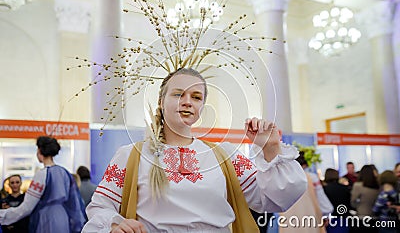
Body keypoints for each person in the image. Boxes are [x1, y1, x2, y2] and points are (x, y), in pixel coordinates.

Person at [82, 67, 308, 233]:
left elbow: (273, 199)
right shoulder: (131, 155)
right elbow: (100, 206)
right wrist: (115, 226)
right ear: (161, 101)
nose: (188, 101)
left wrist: (270, 148)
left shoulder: (224, 155)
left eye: (196, 97)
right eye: (178, 94)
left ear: (202, 107)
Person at [0, 136, 87, 233]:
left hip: (47, 218)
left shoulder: (42, 174)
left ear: (40, 151)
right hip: (63, 218)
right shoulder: (65, 172)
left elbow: (27, 207)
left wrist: (3, 215)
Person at [280, 151, 333, 233]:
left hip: (288, 221)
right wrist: (326, 215)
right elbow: (322, 200)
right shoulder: (312, 178)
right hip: (309, 219)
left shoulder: (283, 178)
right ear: (305, 164)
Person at [323, 168, 351, 233]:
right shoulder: (345, 188)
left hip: (329, 219)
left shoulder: (324, 190)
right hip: (343, 218)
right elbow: (349, 203)